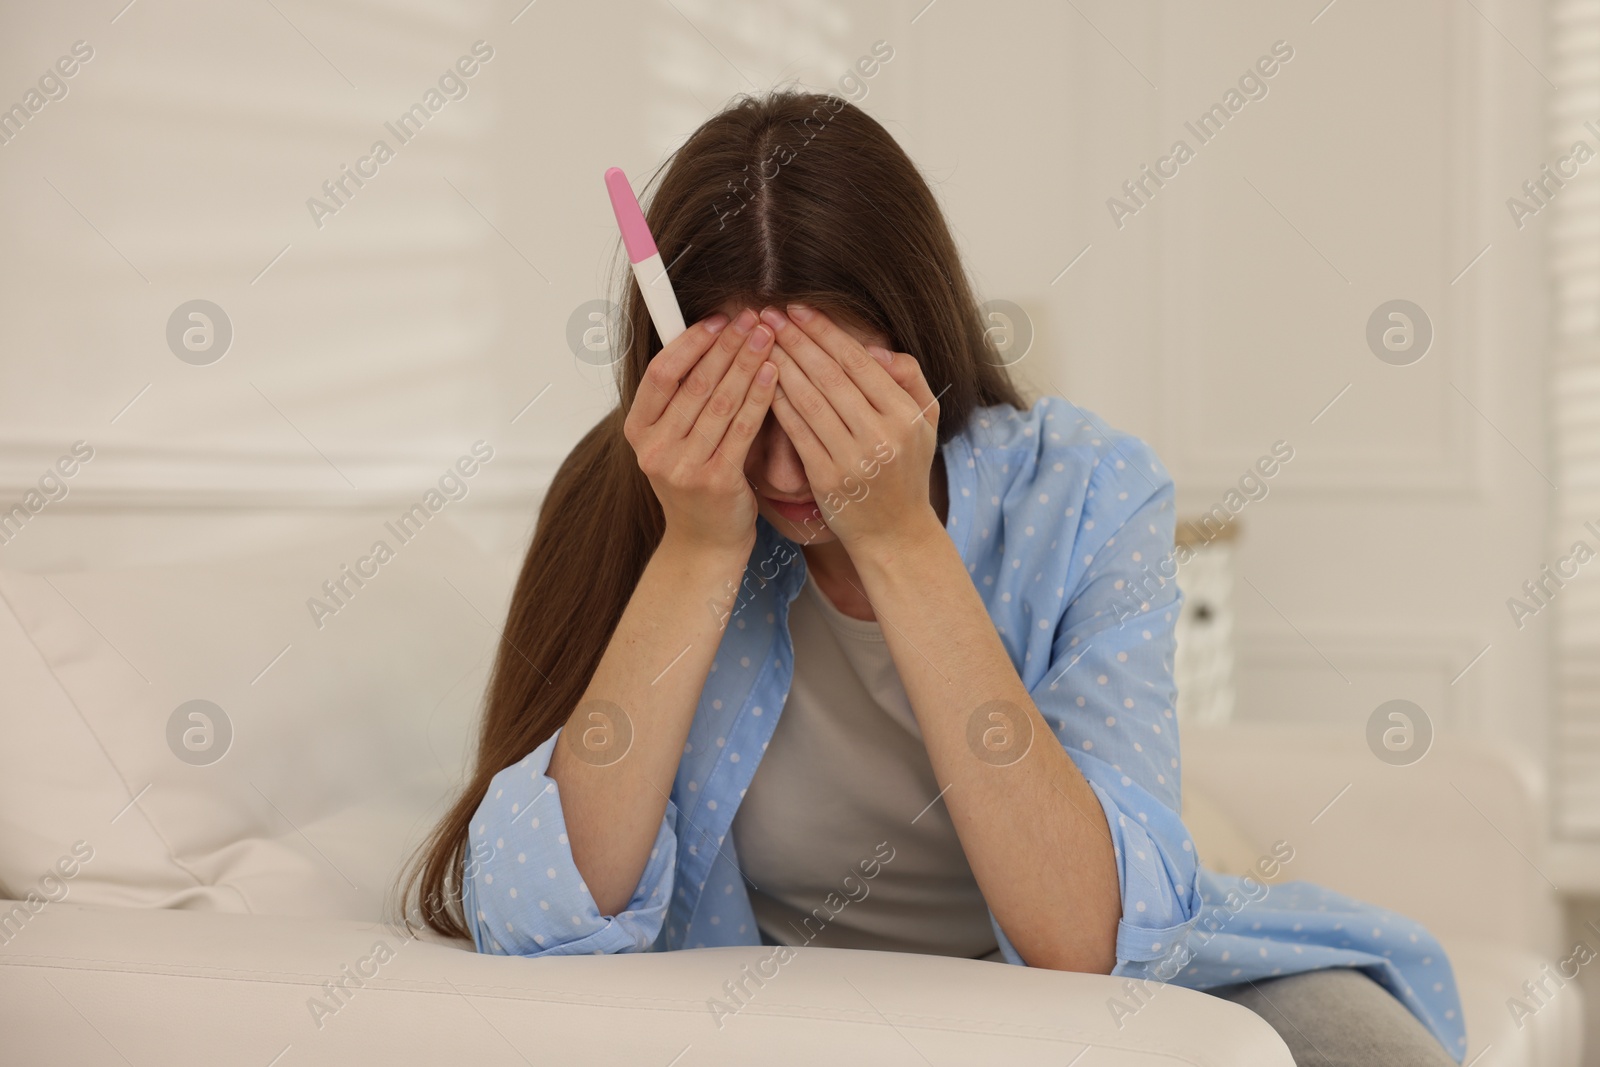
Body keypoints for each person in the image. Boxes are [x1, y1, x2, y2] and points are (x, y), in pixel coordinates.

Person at [402, 89, 1466, 1065]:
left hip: (1119, 989)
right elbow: (534, 917)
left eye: (829, 407)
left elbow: (1085, 941)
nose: (780, 468)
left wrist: (902, 540)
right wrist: (697, 549)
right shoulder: (635, 497)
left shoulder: (1090, 489)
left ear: (920, 347)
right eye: (745, 409)